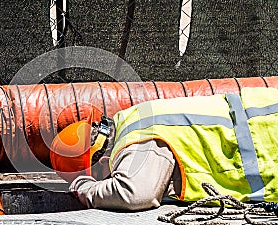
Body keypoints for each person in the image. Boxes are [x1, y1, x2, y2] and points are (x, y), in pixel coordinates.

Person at [49, 87, 278, 211]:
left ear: (98, 167)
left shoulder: (136, 136)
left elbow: (135, 194)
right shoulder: (137, 117)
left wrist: (84, 189)